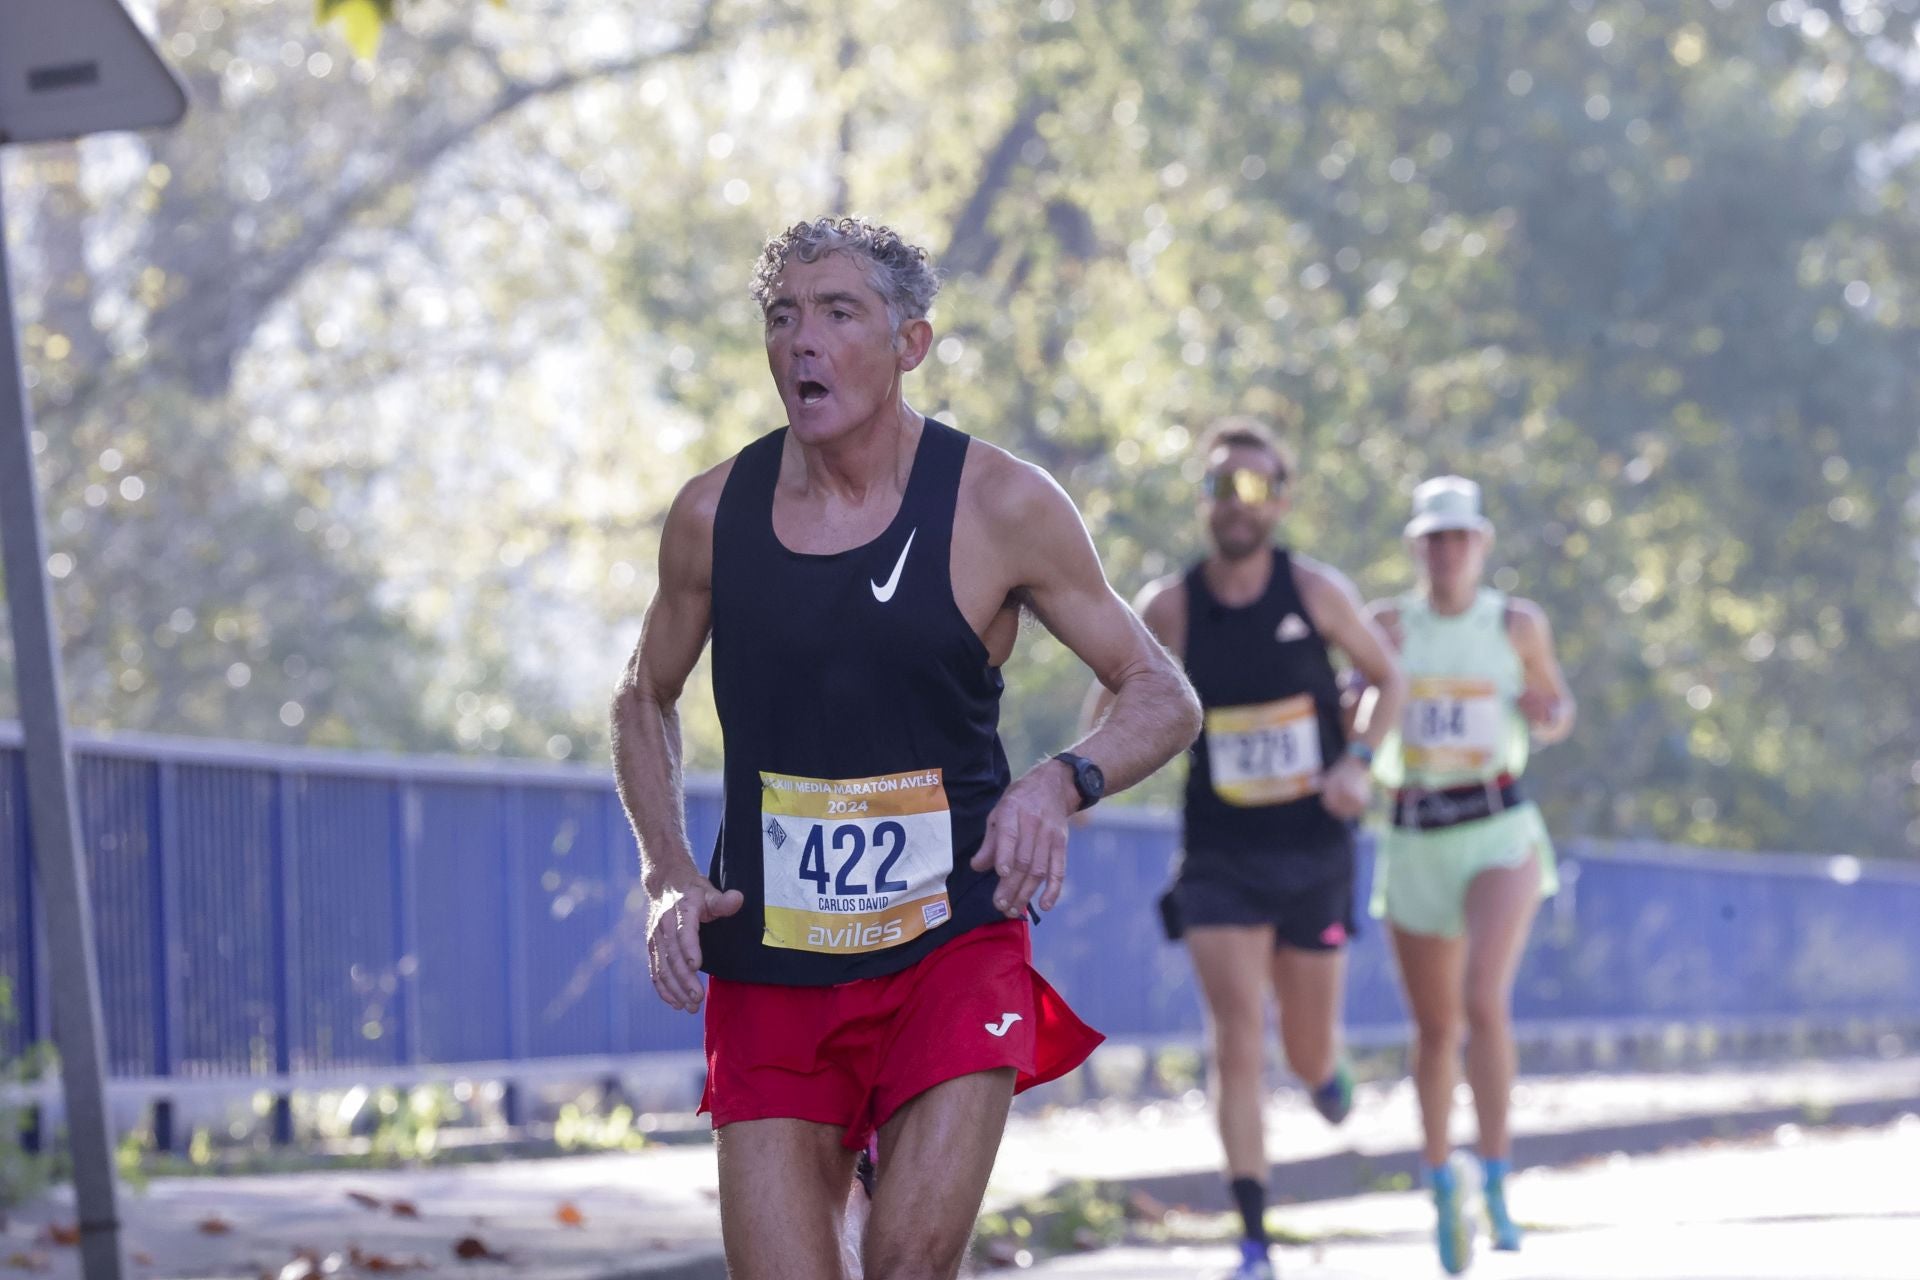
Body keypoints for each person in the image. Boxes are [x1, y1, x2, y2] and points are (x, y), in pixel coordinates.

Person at [610, 215, 1202, 1280]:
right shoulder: (713, 515)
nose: (803, 341)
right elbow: (643, 696)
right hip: (773, 957)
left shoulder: (1002, 503)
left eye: (839, 313)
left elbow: (1161, 690)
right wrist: (665, 871)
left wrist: (1057, 785)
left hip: (950, 945)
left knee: (906, 1265)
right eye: (783, 316)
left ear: (909, 343)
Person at [1085, 418, 1405, 1280]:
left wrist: (1360, 760)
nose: (1238, 503)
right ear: (1205, 502)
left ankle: (1326, 1073)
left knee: (1304, 1049)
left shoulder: (1316, 592)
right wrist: (1077, 786)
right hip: (1220, 856)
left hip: (1314, 854)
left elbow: (1388, 676)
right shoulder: (1173, 605)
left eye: (1256, 487)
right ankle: (1255, 1237)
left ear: (1281, 502)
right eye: (1223, 486)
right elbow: (1112, 693)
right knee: (1235, 1035)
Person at [1363, 476, 1574, 1275]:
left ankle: (1496, 1176)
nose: (1447, 552)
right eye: (1433, 539)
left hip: (1499, 830)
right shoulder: (1387, 626)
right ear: (1417, 548)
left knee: (1484, 998)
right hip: (1416, 833)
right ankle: (1441, 1179)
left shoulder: (1516, 624)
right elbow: (1359, 704)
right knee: (1434, 1027)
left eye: (1460, 538)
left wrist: (1550, 715)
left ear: (1481, 546)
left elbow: (1556, 703)